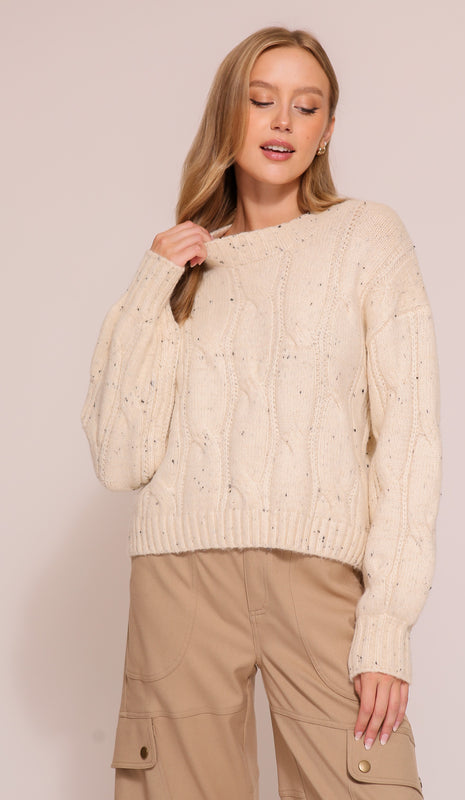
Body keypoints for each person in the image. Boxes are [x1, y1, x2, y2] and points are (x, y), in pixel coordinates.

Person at [81, 25, 442, 800]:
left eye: (305, 107)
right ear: (227, 112)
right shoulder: (180, 269)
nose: (282, 121)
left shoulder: (366, 237)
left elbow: (409, 443)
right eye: (261, 100)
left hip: (318, 580)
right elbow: (119, 460)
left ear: (326, 129)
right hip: (179, 583)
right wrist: (151, 281)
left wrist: (385, 626)